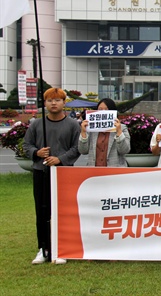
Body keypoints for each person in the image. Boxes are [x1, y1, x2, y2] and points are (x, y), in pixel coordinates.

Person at [23, 88, 80, 265]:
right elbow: (26, 146)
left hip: (63, 173)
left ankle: (61, 248)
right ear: (45, 103)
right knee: (42, 211)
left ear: (64, 103)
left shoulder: (72, 125)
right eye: (49, 100)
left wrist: (60, 159)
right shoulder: (36, 124)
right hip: (41, 172)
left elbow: (77, 148)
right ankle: (43, 248)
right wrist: (37, 152)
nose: (53, 103)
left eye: (57, 100)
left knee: (62, 211)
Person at [79, 98, 131, 167]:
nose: (103, 112)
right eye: (100, 109)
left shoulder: (122, 128)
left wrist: (119, 132)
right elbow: (83, 151)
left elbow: (125, 150)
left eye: (106, 109)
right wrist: (83, 133)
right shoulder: (91, 129)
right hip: (94, 171)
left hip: (115, 172)